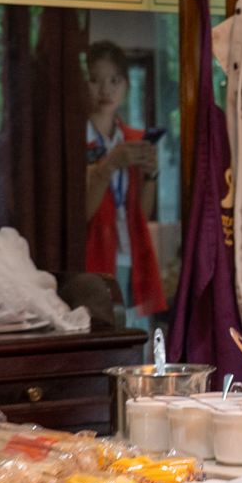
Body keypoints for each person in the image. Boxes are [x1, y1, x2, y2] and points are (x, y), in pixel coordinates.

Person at [84, 39, 167, 318]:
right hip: (92, 258)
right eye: (94, 80)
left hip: (133, 257)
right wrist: (109, 165)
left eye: (115, 80)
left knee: (137, 342)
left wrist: (152, 174)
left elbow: (140, 214)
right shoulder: (74, 140)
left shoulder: (133, 139)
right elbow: (82, 212)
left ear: (128, 85)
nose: (105, 89)